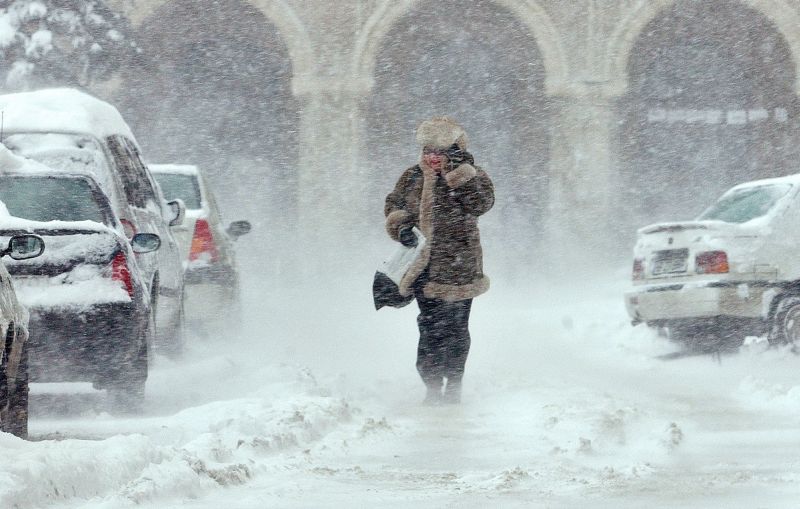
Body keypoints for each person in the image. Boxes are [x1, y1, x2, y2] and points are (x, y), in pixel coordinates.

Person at [384, 117, 495, 404]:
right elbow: (393, 204)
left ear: (454, 151)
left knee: (456, 329)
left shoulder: (471, 176)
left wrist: (460, 173)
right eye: (427, 150)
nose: (432, 157)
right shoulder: (412, 177)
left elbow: (481, 203)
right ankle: (432, 384)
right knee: (429, 327)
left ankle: (454, 383)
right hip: (423, 268)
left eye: (439, 151)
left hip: (459, 266)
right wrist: (402, 226)